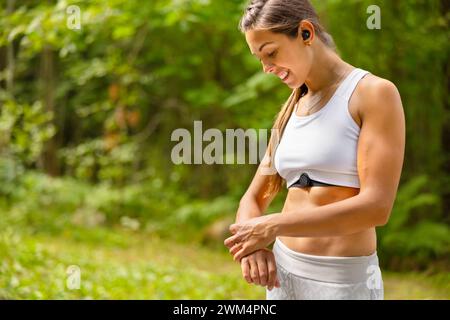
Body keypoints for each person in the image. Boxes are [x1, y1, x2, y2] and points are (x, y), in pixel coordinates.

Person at [224, 0, 405, 300]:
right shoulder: (291, 108)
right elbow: (255, 197)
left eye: (271, 53)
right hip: (282, 277)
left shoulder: (373, 94)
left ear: (306, 33)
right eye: (260, 58)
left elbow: (377, 206)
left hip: (342, 283)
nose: (267, 68)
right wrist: (253, 246)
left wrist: (272, 226)